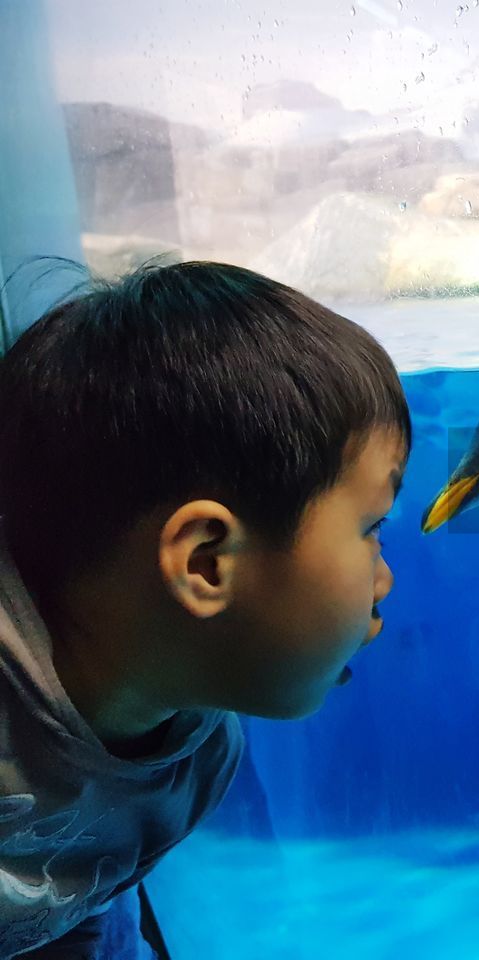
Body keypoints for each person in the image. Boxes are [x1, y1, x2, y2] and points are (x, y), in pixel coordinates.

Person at [0, 261, 410, 958]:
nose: (385, 582)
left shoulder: (196, 760)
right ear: (206, 563)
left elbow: (76, 918)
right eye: (370, 531)